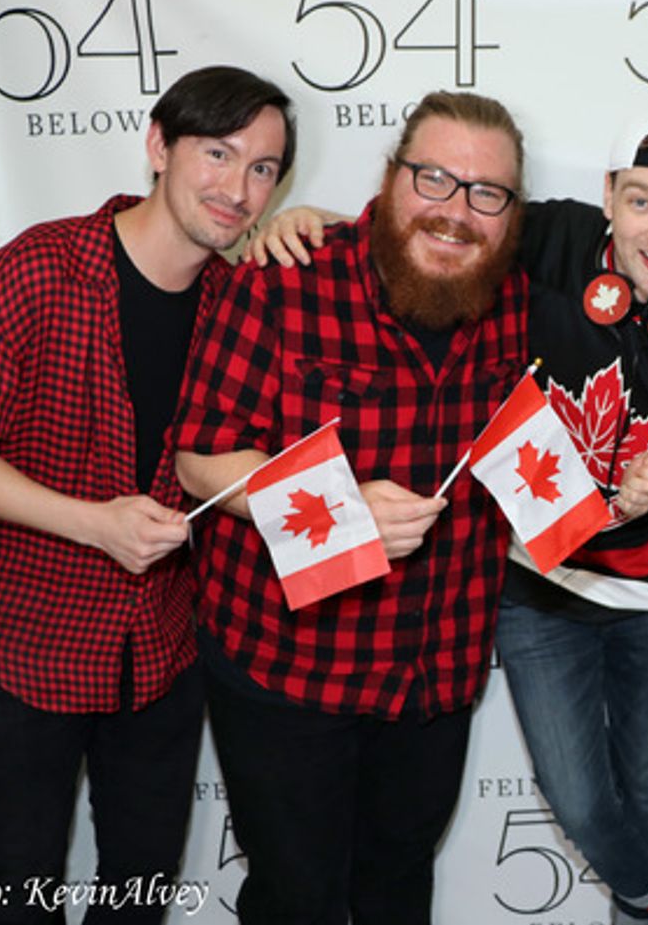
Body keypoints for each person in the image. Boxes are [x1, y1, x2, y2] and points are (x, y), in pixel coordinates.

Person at [251, 100, 648, 925]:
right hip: (542, 584)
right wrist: (316, 222)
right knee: (578, 798)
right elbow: (439, 224)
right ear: (607, 195)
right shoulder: (553, 240)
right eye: (641, 199)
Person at [0, 65, 293, 923]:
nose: (238, 187)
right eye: (218, 153)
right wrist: (93, 524)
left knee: (140, 890)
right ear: (159, 146)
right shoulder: (35, 273)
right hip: (23, 645)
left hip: (161, 651)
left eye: (264, 168)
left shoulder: (239, 301)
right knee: (16, 887)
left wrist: (317, 225)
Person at [171, 90, 529, 925]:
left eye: (487, 192)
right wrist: (335, 503)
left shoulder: (511, 294)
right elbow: (197, 459)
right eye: (433, 178)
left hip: (434, 671)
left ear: (514, 210)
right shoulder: (288, 278)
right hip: (289, 670)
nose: (456, 210)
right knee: (296, 897)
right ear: (391, 174)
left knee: (399, 882)